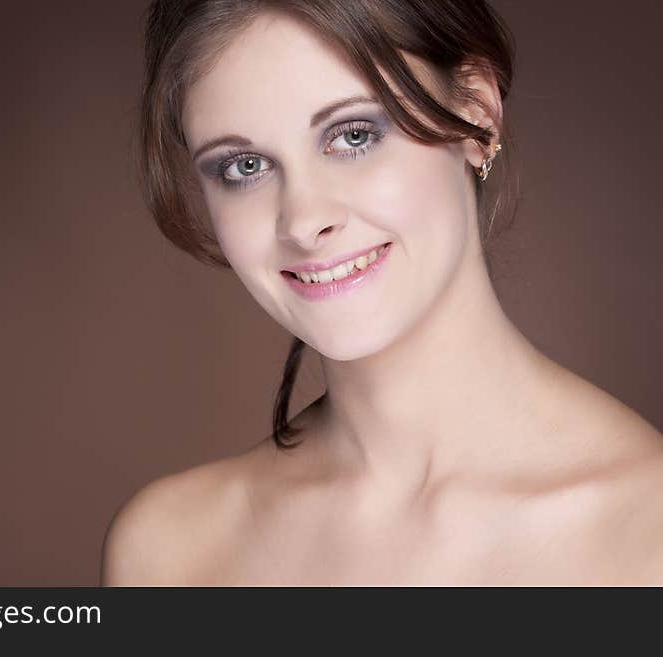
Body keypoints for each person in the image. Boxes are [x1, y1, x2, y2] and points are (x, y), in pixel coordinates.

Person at [100, 0, 663, 585]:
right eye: (244, 167)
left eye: (353, 135)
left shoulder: (646, 533)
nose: (303, 220)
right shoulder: (168, 552)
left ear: (477, 112)